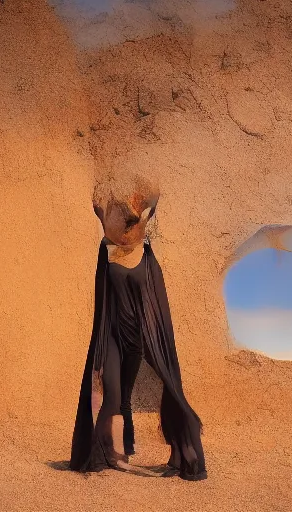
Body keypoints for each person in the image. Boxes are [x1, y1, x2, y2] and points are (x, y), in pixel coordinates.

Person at [69, 176, 207, 481]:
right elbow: (102, 302)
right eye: (119, 228)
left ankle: (185, 453)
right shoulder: (106, 253)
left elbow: (156, 309)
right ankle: (105, 455)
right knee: (113, 395)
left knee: (167, 391)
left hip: (141, 342)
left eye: (129, 227)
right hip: (114, 338)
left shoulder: (147, 258)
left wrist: (144, 209)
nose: (124, 235)